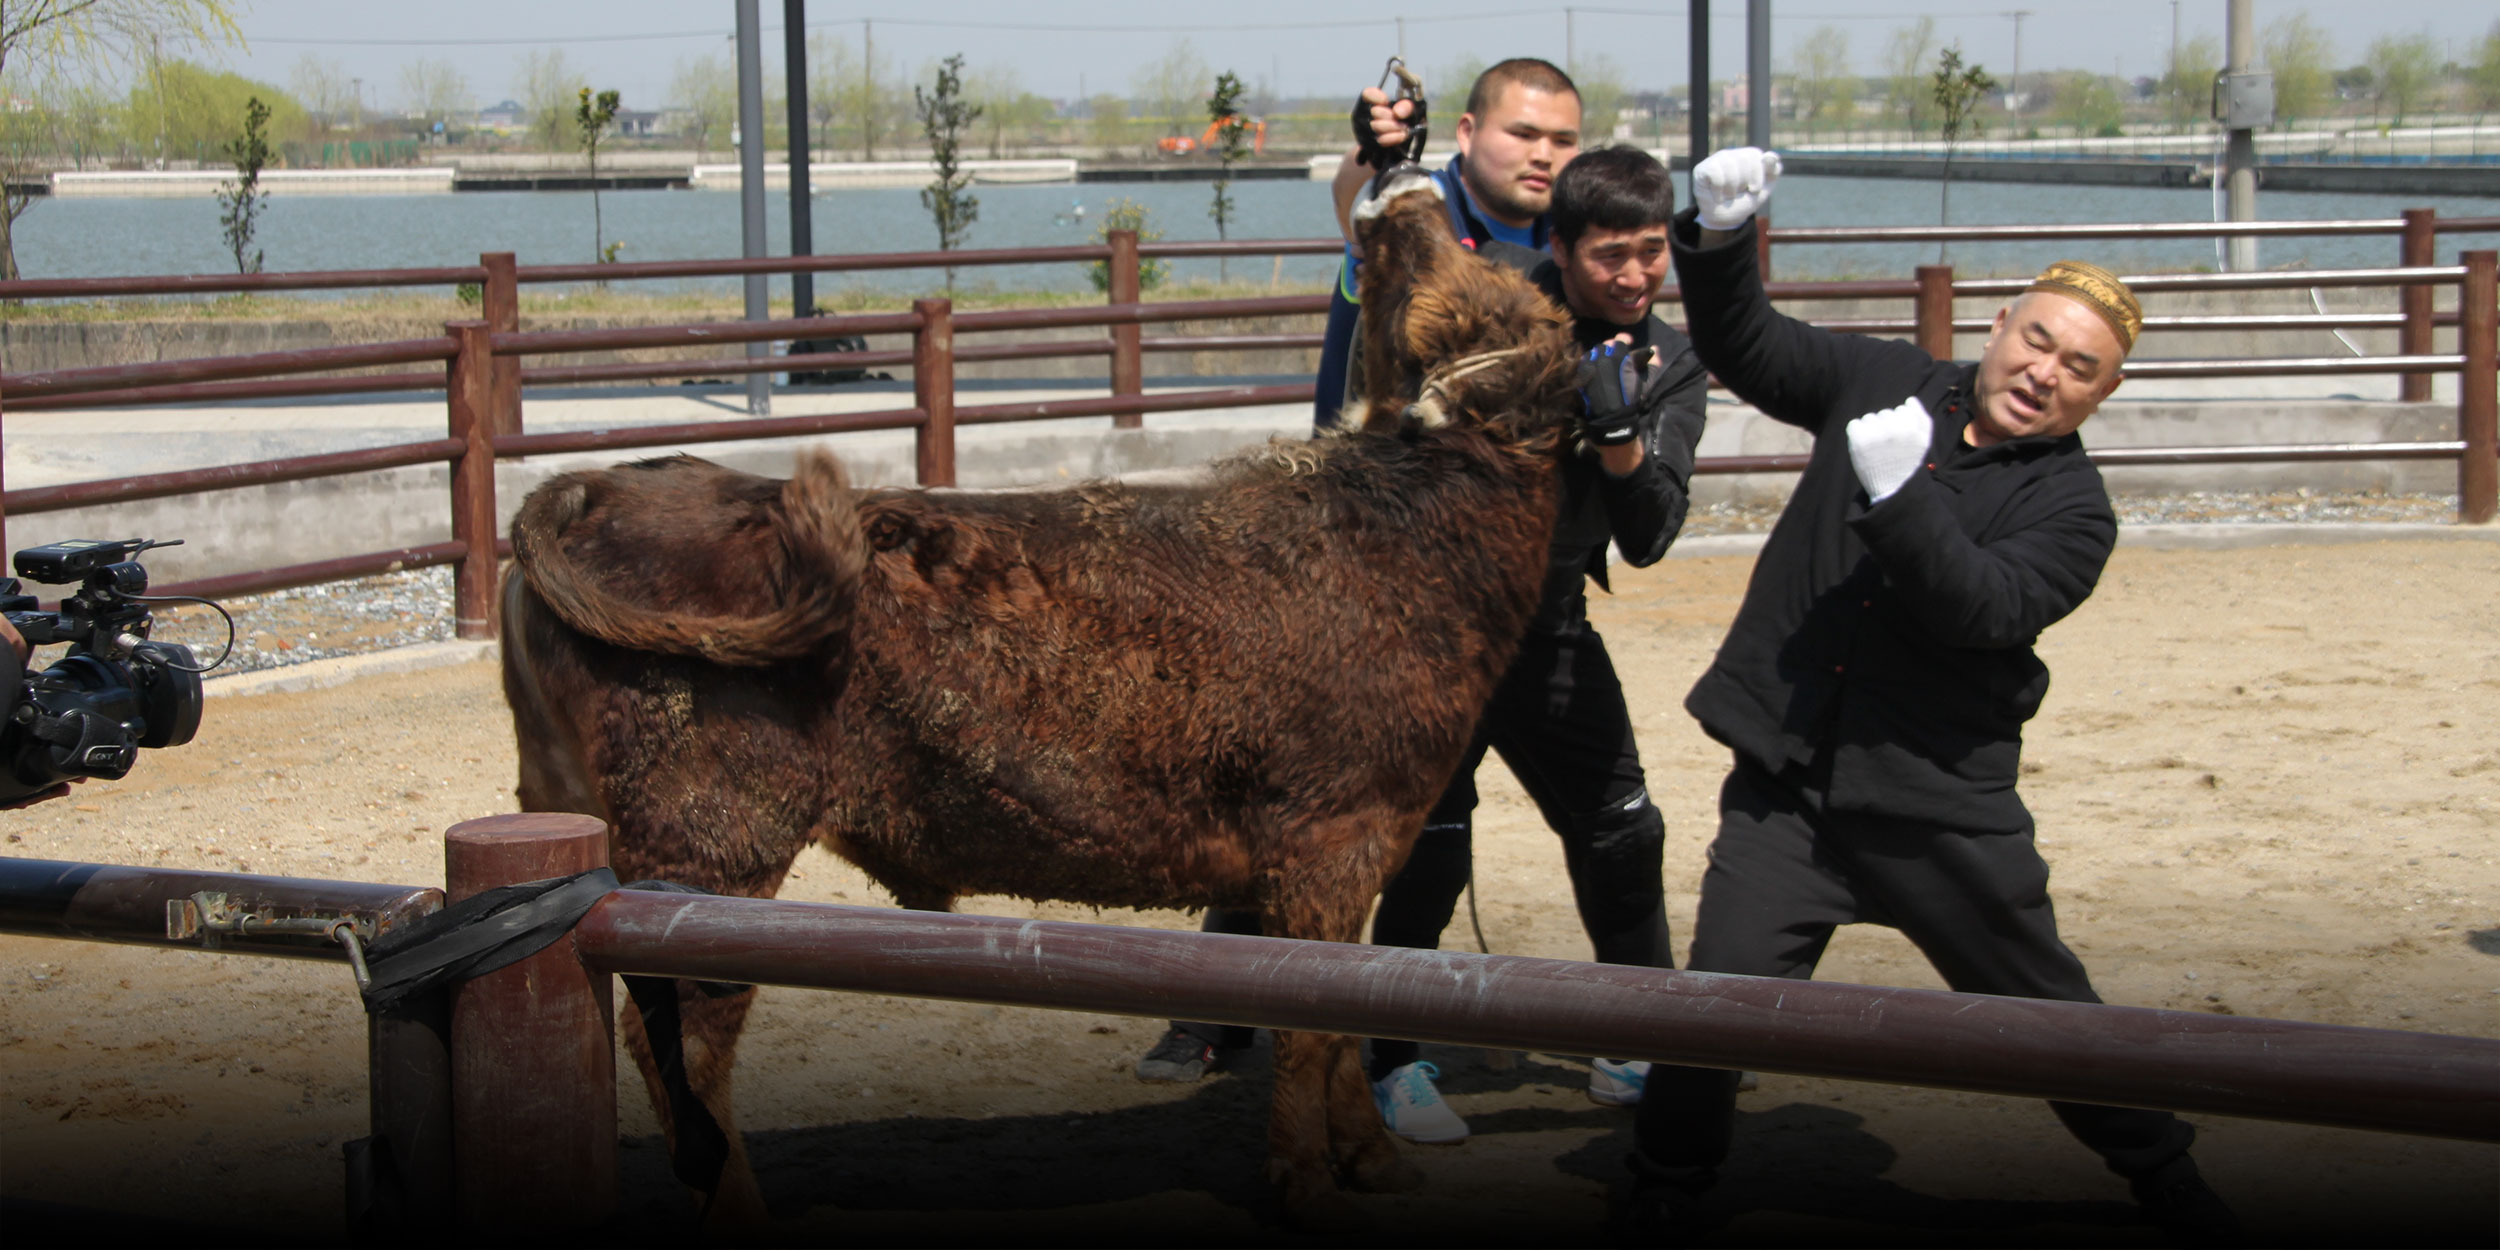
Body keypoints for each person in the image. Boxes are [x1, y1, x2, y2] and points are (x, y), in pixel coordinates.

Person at [1620, 146, 2238, 1243]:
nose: (2046, 369)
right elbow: (1750, 347)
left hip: (1937, 807)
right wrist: (1716, 242)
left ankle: (2161, 1168)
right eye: (2037, 337)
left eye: (2079, 366)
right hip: (1788, 786)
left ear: (2102, 393)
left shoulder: (2075, 511)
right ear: (1999, 323)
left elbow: (1984, 608)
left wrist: (1901, 493)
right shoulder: (1881, 381)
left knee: (2047, 1011)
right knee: (1713, 1004)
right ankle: (1666, 1178)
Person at [1138, 142, 1713, 1156]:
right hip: (1422, 628)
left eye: (1650, 253)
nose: (1632, 275)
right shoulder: (1488, 320)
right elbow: (1376, 288)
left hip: (1548, 625)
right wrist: (1375, 165)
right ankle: (1391, 1056)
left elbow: (1651, 531)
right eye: (1608, 255)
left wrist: (1619, 439)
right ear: (1560, 251)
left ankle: (1639, 1030)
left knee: (1623, 825)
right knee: (1412, 840)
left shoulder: (1667, 360)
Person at [1311, 57, 1583, 429]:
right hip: (1381, 472)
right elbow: (1355, 205)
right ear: (1467, 133)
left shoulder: (1575, 241)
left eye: (1563, 140)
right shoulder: (1417, 211)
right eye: (1523, 135)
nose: (1543, 155)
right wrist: (1379, 157)